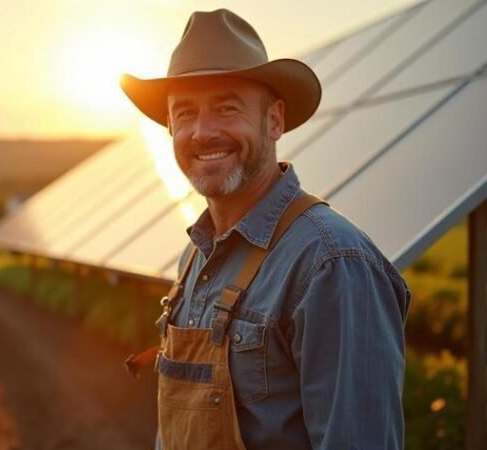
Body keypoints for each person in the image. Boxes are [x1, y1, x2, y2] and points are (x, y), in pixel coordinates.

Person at [120, 9, 410, 450]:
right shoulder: (195, 257)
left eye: (227, 108)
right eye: (185, 113)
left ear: (274, 120)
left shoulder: (331, 263)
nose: (202, 132)